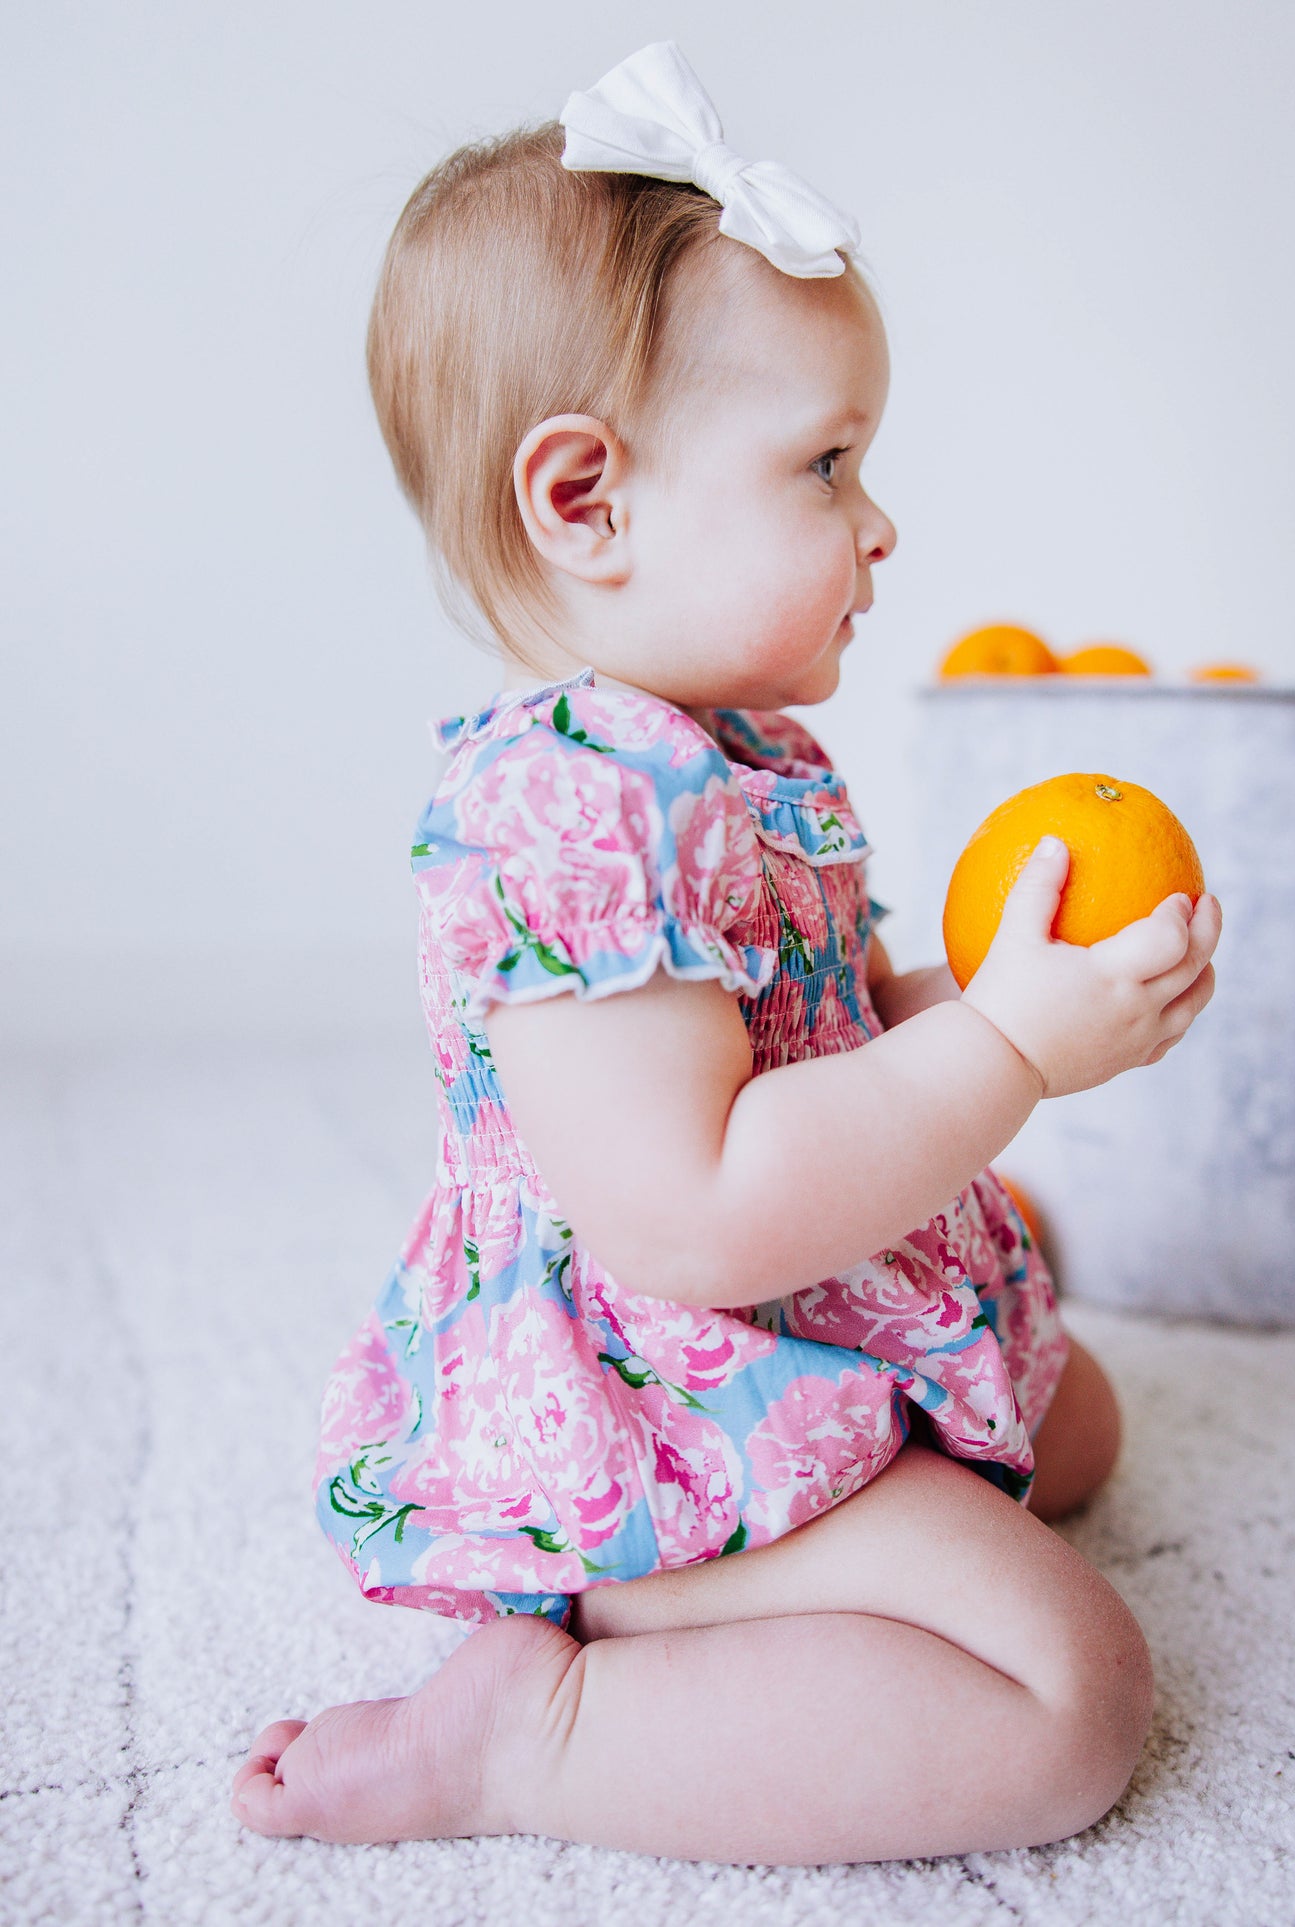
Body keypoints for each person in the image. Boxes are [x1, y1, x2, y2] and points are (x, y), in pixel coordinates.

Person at [232, 43, 1220, 1864]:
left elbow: (807, 1043)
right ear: (586, 500)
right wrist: (1002, 1053)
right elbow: (693, 1213)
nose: (880, 521)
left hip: (782, 1293)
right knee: (1069, 1695)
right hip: (668, 1373)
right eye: (825, 464)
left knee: (1062, 1432)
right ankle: (540, 1715)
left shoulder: (733, 755)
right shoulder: (572, 805)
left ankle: (725, 1584)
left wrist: (1000, 1000)